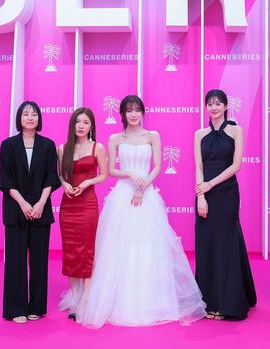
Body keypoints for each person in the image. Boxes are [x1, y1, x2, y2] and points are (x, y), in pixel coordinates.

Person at [76, 95, 206, 328]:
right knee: (119, 247)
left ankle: (151, 301)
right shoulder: (115, 138)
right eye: (129, 110)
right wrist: (129, 174)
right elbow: (111, 170)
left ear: (142, 112)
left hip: (146, 196)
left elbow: (157, 166)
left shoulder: (152, 136)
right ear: (123, 114)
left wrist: (142, 186)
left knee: (147, 247)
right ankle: (117, 300)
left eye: (137, 110)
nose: (133, 114)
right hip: (122, 197)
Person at [194, 89, 256, 320]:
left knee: (225, 245)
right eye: (210, 104)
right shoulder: (200, 134)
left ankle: (227, 303)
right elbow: (198, 167)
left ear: (226, 106)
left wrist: (210, 185)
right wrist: (201, 195)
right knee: (206, 245)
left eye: (218, 103)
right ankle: (209, 301)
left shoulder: (236, 130)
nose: (214, 107)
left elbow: (236, 165)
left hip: (226, 193)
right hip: (204, 194)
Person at [0, 101, 60, 324]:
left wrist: (41, 203)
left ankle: (36, 307)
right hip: (16, 211)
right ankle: (16, 308)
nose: (30, 118)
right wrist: (24, 204)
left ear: (39, 119)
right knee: (15, 261)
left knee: (39, 261)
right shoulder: (8, 145)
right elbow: (6, 180)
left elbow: (51, 178)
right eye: (26, 114)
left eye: (34, 114)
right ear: (19, 118)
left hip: (41, 211)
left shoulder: (48, 145)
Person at [57, 107, 107, 318]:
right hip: (68, 205)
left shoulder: (98, 148)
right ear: (72, 124)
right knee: (70, 249)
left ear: (91, 126)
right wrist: (65, 184)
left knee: (87, 249)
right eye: (78, 122)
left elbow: (104, 175)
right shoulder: (62, 148)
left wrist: (88, 182)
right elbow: (61, 175)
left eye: (86, 122)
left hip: (88, 204)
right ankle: (76, 297)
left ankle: (86, 298)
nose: (81, 126)